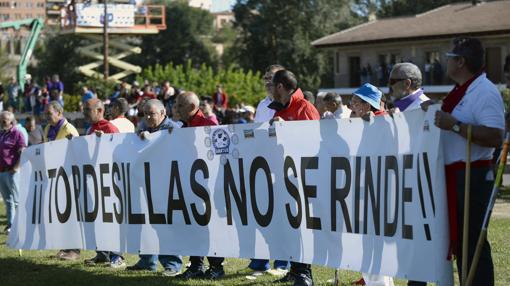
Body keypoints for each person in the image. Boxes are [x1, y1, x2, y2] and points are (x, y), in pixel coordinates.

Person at [432, 37, 504, 286]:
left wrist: (456, 125)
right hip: (455, 176)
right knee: (461, 244)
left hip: (472, 177)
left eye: (449, 57)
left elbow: (496, 136)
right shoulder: (461, 91)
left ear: (460, 62)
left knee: (473, 245)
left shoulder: (484, 91)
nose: (445, 62)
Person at [268, 70, 320, 286]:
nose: (269, 89)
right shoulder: (280, 108)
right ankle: (294, 268)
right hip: (283, 176)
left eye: (272, 85)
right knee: (288, 225)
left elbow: (314, 143)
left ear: (280, 86)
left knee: (302, 226)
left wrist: (286, 129)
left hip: (302, 178)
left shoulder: (305, 108)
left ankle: (305, 273)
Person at [126, 99, 182, 276]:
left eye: (152, 113)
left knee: (165, 225)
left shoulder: (174, 130)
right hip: (146, 183)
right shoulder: (143, 126)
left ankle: (172, 264)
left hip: (167, 185)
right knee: (145, 223)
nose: (148, 117)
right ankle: (147, 260)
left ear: (163, 113)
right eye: (145, 114)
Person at [173, 92, 225, 281]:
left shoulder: (208, 126)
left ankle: (216, 267)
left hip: (207, 187)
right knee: (193, 227)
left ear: (192, 107)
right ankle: (196, 265)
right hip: (189, 185)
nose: (176, 109)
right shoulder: (182, 127)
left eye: (180, 106)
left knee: (210, 228)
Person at [82, 99, 124, 268]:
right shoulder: (90, 129)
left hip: (109, 183)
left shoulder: (110, 128)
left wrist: (105, 141)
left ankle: (117, 256)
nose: (84, 112)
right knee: (97, 220)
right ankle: (102, 254)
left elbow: (120, 151)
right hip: (94, 182)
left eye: (87, 109)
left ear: (99, 110)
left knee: (111, 220)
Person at [0, 111, 26, 234]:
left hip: (12, 172)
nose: (1, 122)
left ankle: (23, 225)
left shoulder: (17, 133)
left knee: (17, 200)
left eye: (4, 120)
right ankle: (11, 224)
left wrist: (16, 167)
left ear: (11, 121)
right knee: (8, 200)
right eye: (1, 120)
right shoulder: (2, 134)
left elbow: (23, 151)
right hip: (2, 172)